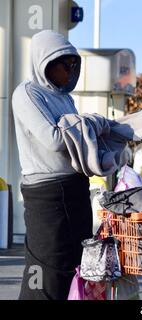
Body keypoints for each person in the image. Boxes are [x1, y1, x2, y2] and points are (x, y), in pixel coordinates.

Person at [12, 30, 93, 300]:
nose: (70, 71)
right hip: (47, 196)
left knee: (77, 267)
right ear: (46, 62)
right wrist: (89, 127)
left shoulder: (65, 98)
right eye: (65, 64)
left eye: (74, 65)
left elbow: (75, 137)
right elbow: (55, 139)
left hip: (75, 190)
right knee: (47, 271)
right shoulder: (27, 94)